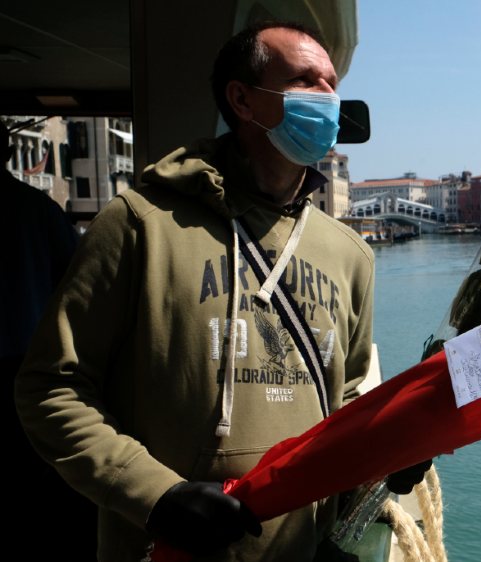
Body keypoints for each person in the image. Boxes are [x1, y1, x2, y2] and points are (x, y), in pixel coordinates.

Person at [15, 21, 424, 561]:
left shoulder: (351, 255)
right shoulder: (138, 225)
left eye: (333, 84)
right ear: (242, 99)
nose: (328, 98)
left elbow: (344, 400)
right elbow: (51, 387)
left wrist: (388, 450)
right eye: (305, 81)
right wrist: (155, 496)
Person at [1, 121, 93, 558]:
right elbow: (78, 281)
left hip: (22, 354)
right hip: (27, 355)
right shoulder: (37, 209)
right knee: (30, 463)